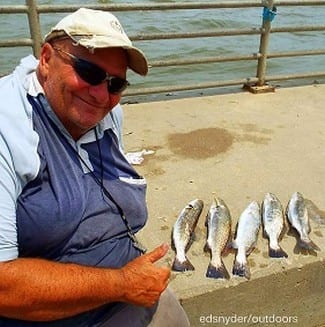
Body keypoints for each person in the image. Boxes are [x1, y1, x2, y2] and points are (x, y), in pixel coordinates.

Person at [0, 8, 190, 327]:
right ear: (46, 59)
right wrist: (121, 284)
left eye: (115, 84)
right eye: (88, 71)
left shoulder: (103, 112)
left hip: (135, 292)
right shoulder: (10, 127)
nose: (102, 94)